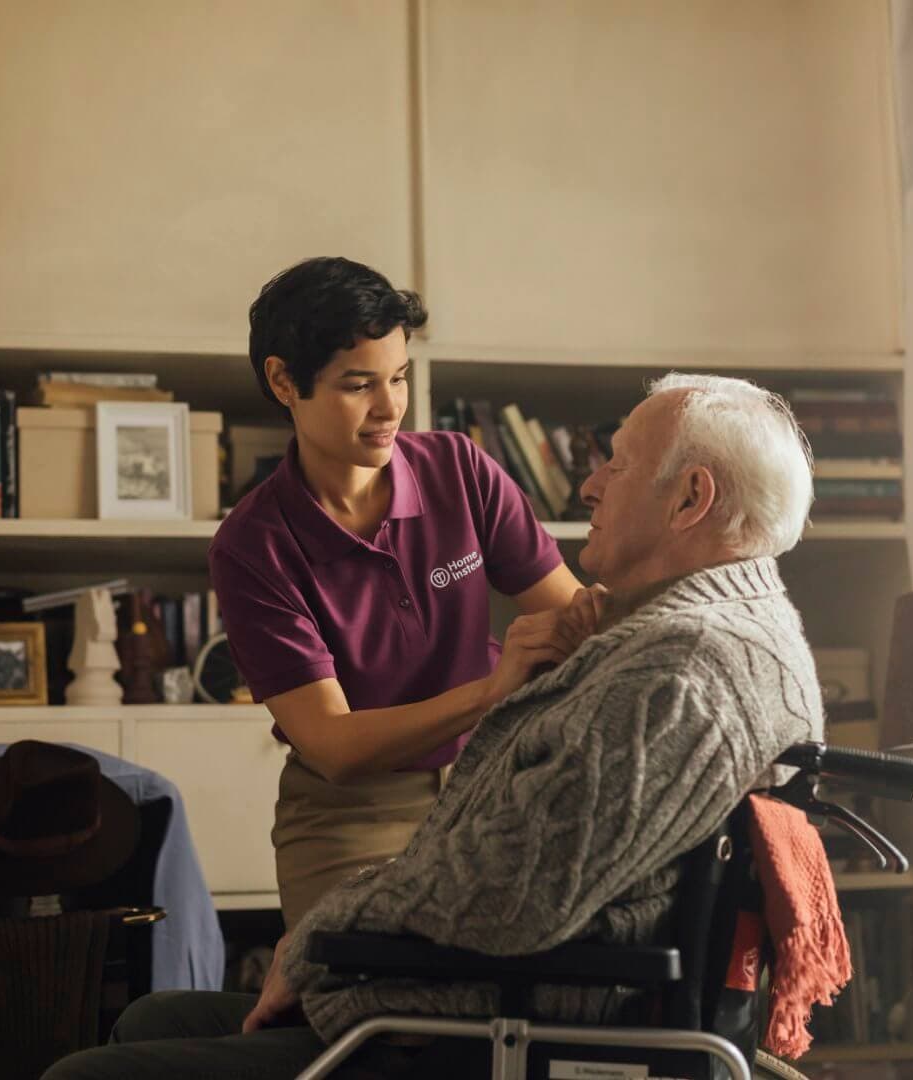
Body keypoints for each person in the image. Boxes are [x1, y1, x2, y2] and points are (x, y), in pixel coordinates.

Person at [44, 372, 825, 1080]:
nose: (588, 486)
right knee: (154, 1017)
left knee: (87, 1073)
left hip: (513, 1022)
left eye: (615, 464)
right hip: (508, 969)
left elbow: (516, 893)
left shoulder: (679, 671)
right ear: (288, 385)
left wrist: (323, 933)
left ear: (690, 500)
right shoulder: (728, 632)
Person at [207, 257, 590, 938]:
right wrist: (489, 692)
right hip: (351, 815)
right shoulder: (253, 546)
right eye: (358, 385)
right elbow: (333, 744)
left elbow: (576, 620)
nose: (390, 409)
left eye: (399, 378)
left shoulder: (460, 470)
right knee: (362, 1010)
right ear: (282, 381)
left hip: (497, 781)